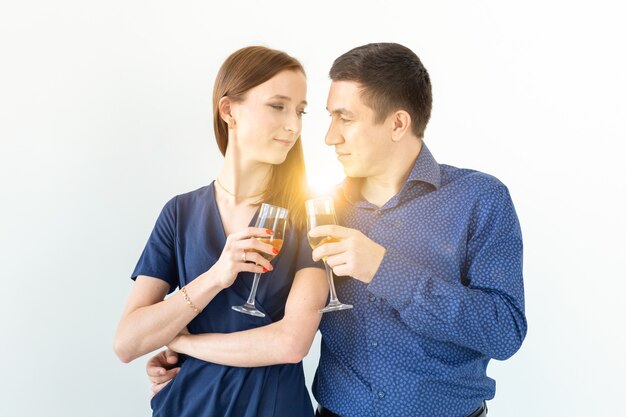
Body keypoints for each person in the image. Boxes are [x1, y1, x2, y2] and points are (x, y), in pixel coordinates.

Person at [148, 42, 527, 417]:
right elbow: (277, 324)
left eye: (344, 118)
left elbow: (505, 332)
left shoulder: (480, 199)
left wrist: (382, 267)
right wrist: (186, 361)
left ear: (397, 123)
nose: (329, 136)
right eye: (328, 117)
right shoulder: (316, 211)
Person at [114, 45, 328, 417]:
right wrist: (216, 276)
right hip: (186, 406)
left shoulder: (309, 214)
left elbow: (291, 343)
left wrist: (184, 341)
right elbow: (128, 342)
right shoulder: (179, 213)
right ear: (228, 110)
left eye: (300, 111)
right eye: (278, 106)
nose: (294, 125)